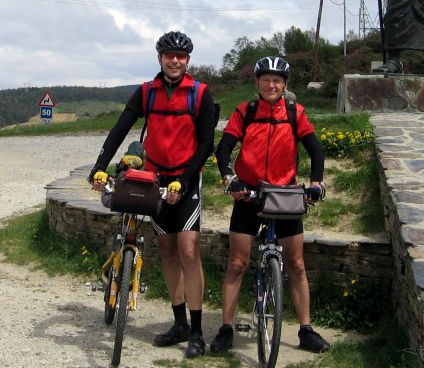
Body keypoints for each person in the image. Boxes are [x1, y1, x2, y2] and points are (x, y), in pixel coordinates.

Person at [88, 31, 215, 359]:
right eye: (169, 55)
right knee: (167, 250)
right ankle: (179, 324)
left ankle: (197, 331)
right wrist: (99, 166)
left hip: (185, 181)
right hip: (154, 178)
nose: (175, 60)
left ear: (188, 60)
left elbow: (206, 144)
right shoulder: (147, 93)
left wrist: (185, 182)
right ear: (159, 58)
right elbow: (119, 129)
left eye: (181, 56)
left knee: (189, 250)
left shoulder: (200, 93)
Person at [210, 56, 330, 354]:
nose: (271, 84)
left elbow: (315, 148)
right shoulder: (246, 111)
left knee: (297, 264)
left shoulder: (294, 112)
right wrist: (229, 179)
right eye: (266, 79)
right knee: (237, 263)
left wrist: (316, 183)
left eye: (277, 80)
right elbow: (224, 147)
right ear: (257, 83)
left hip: (284, 194)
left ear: (285, 85)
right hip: (248, 194)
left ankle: (305, 329)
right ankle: (226, 328)